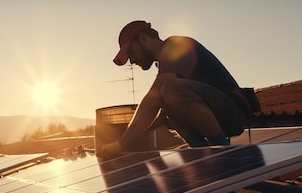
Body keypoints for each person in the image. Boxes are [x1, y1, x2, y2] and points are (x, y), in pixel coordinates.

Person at [101, 20, 249, 160]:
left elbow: (154, 98)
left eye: (131, 52)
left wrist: (122, 142)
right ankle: (202, 154)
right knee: (165, 104)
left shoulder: (176, 46)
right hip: (217, 113)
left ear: (143, 38)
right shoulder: (165, 66)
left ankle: (222, 153)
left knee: (169, 89)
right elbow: (155, 108)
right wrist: (137, 132)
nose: (132, 61)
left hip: (233, 112)